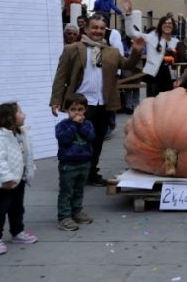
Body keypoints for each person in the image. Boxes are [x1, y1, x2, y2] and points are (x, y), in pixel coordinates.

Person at [50, 14, 144, 186]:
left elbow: (128, 65)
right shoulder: (72, 49)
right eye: (94, 27)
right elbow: (60, 76)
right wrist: (55, 100)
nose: (98, 31)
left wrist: (137, 50)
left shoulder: (112, 52)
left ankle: (91, 173)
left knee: (97, 139)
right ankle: (74, 173)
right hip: (80, 104)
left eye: (101, 28)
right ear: (86, 29)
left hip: (103, 103)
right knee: (77, 140)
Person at [0, 102, 38, 255]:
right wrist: (6, 179)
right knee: (0, 210)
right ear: (9, 118)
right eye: (20, 112)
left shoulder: (20, 133)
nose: (24, 114)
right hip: (5, 184)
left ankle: (17, 232)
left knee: (17, 208)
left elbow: (26, 155)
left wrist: (27, 172)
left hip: (18, 179)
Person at [120, 0, 179, 97]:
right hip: (153, 77)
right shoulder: (151, 38)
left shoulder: (176, 42)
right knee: (152, 105)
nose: (167, 25)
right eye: (165, 23)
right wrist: (129, 15)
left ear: (173, 26)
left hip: (170, 78)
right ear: (160, 26)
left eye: (170, 23)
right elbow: (131, 33)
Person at [54, 93, 95, 231]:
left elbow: (90, 137)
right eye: (73, 109)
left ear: (85, 110)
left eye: (80, 109)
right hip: (68, 164)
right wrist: (73, 124)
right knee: (67, 191)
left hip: (84, 162)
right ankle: (64, 217)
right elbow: (64, 139)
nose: (76, 113)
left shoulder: (88, 124)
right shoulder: (62, 125)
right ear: (66, 110)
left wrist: (81, 125)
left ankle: (76, 211)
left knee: (79, 190)